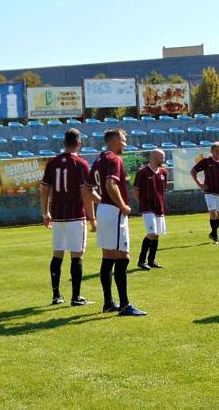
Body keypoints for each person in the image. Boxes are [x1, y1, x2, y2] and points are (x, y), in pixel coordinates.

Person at [86, 129, 147, 316]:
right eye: (123, 140)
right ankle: (125, 305)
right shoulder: (114, 159)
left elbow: (88, 189)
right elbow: (110, 185)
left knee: (108, 258)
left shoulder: (98, 159)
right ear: (114, 141)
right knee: (123, 257)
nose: (125, 144)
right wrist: (122, 205)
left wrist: (101, 201)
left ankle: (108, 303)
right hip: (114, 212)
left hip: (104, 210)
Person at [40, 128, 98, 306]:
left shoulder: (52, 163)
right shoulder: (80, 163)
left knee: (57, 254)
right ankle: (76, 297)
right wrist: (92, 217)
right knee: (76, 255)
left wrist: (45, 212)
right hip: (75, 215)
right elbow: (85, 191)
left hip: (57, 215)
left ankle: (56, 295)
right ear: (79, 143)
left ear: (64, 143)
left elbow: (44, 189)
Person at [191, 142, 219, 244]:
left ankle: (212, 233)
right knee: (213, 212)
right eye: (216, 150)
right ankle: (215, 236)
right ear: (211, 151)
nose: (218, 152)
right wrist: (200, 184)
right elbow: (193, 171)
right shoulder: (206, 161)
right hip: (209, 192)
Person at [134, 149, 167, 270]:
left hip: (159, 208)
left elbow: (162, 191)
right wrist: (143, 204)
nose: (163, 160)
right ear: (154, 158)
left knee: (156, 235)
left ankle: (151, 260)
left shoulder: (163, 172)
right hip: (147, 208)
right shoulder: (142, 172)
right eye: (161, 158)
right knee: (151, 234)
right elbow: (136, 192)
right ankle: (141, 261)